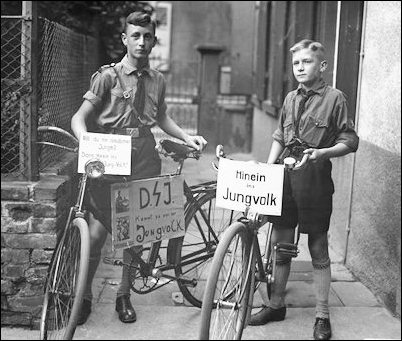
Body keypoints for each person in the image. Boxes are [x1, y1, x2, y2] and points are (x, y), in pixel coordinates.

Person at [70, 11, 207, 325]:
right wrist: (87, 142)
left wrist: (187, 136)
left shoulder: (158, 79)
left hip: (144, 154)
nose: (142, 42)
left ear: (153, 40)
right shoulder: (107, 76)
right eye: (135, 36)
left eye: (147, 36)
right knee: (98, 230)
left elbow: (160, 118)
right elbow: (79, 117)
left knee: (133, 232)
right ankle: (85, 296)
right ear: (124, 39)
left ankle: (123, 294)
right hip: (111, 154)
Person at [248, 39, 359, 340]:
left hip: (315, 180)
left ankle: (322, 315)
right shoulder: (289, 99)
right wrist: (269, 168)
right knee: (281, 246)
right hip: (285, 178)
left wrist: (322, 154)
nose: (300, 67)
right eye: (296, 63)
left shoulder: (335, 98)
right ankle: (276, 305)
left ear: (322, 66)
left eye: (306, 62)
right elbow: (279, 137)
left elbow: (350, 141)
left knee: (318, 248)